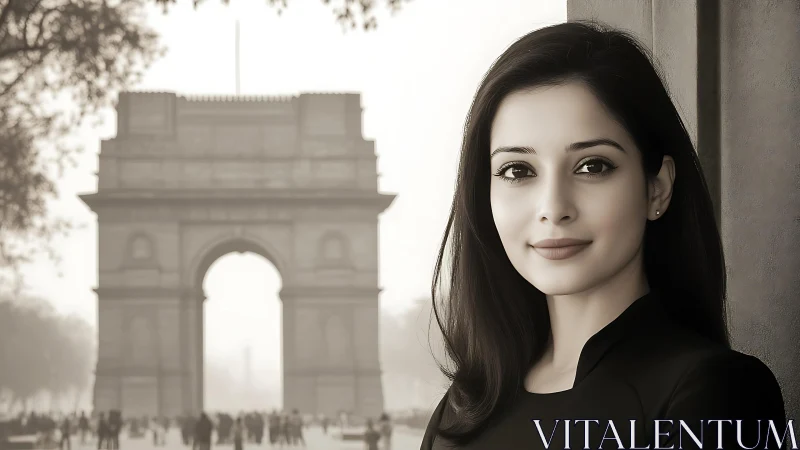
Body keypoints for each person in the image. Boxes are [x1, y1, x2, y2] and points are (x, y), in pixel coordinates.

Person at [419, 20, 786, 450]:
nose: (553, 208)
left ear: (658, 188)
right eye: (518, 171)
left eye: (592, 166)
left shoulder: (719, 393)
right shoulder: (463, 410)